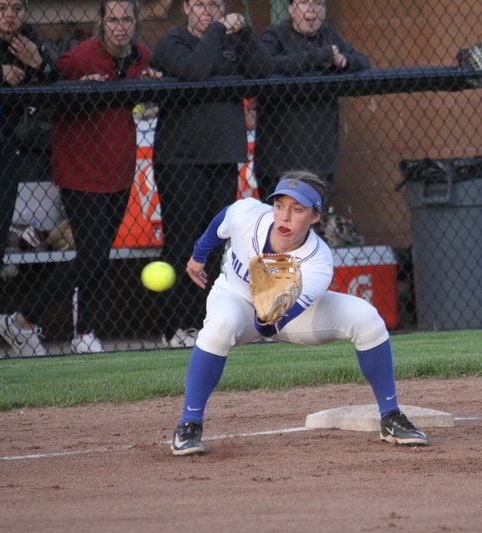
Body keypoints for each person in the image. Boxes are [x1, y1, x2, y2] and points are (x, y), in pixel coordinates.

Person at [170, 170, 427, 455]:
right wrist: (198, 255)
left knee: (366, 317)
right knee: (220, 325)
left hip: (285, 317)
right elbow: (223, 218)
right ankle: (189, 424)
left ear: (315, 216)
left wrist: (267, 317)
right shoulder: (249, 215)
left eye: (297, 209)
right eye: (279, 205)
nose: (284, 216)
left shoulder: (318, 261)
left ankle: (391, 417)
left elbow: (272, 325)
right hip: (235, 298)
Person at [0, 0, 161, 357]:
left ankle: (84, 332)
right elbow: (45, 96)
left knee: (99, 255)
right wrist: (76, 87)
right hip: (79, 168)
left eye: (126, 19)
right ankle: (22, 320)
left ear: (136, 22)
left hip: (120, 168)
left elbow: (142, 96)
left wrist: (149, 82)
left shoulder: (141, 56)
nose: (120, 26)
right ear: (100, 22)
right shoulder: (81, 57)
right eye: (112, 19)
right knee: (92, 255)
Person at [151, 0, 272, 348]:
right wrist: (219, 30)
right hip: (181, 159)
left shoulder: (231, 42)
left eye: (216, 4)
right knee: (182, 242)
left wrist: (245, 34)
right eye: (200, 4)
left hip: (223, 156)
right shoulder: (172, 42)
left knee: (217, 244)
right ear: (186, 7)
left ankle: (207, 324)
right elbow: (195, 70)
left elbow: (262, 72)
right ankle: (173, 327)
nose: (208, 11)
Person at [254, 0, 370, 210]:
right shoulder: (275, 35)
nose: (311, 9)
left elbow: (362, 61)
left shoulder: (328, 35)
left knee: (315, 223)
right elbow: (264, 65)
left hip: (320, 159)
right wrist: (316, 58)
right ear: (291, 9)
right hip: (278, 162)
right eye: (304, 2)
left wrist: (344, 61)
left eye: (318, 3)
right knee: (279, 224)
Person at [0, 0, 59, 304]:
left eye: (17, 8)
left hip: (7, 145)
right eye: (1, 8)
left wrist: (37, 62)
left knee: (0, 228)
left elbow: (55, 79)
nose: (10, 15)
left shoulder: (30, 40)